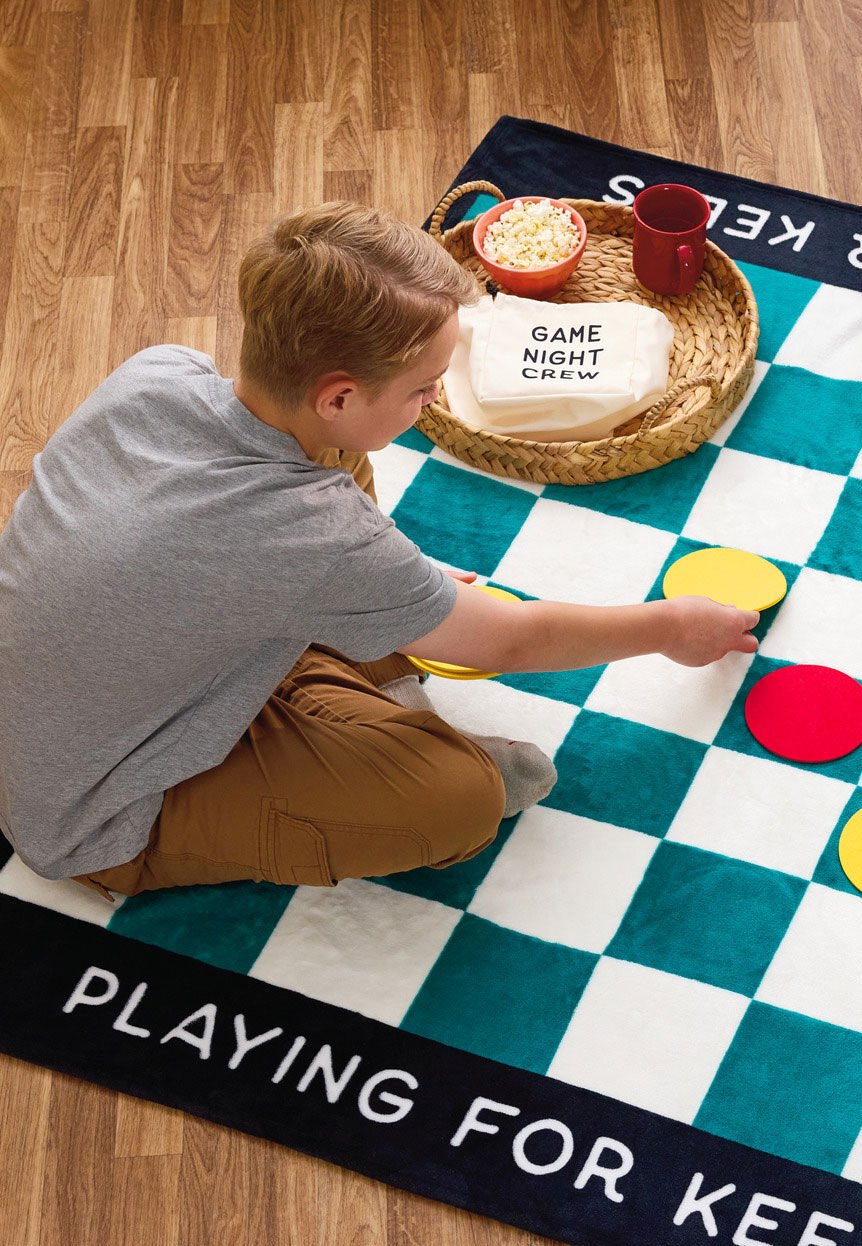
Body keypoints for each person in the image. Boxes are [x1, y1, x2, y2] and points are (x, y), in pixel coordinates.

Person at [0, 201, 757, 896]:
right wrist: (668, 626)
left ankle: (364, 648)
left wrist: (395, 584)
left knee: (337, 474)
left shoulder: (159, 373)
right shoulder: (311, 533)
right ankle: (370, 692)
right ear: (339, 395)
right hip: (93, 816)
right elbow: (513, 642)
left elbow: (249, 545)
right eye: (424, 388)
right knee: (462, 801)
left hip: (74, 702)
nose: (434, 401)